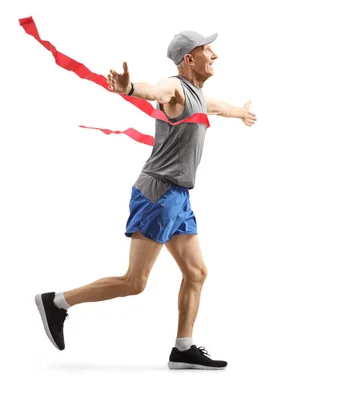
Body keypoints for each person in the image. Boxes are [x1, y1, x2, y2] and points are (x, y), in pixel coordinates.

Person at [34, 30, 256, 370]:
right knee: (134, 282)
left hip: (178, 198)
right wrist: (128, 88)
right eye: (207, 50)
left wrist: (240, 111)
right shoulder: (176, 88)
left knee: (196, 273)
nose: (215, 55)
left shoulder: (197, 95)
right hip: (158, 194)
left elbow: (219, 107)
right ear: (189, 58)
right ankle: (57, 302)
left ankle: (183, 349)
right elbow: (154, 91)